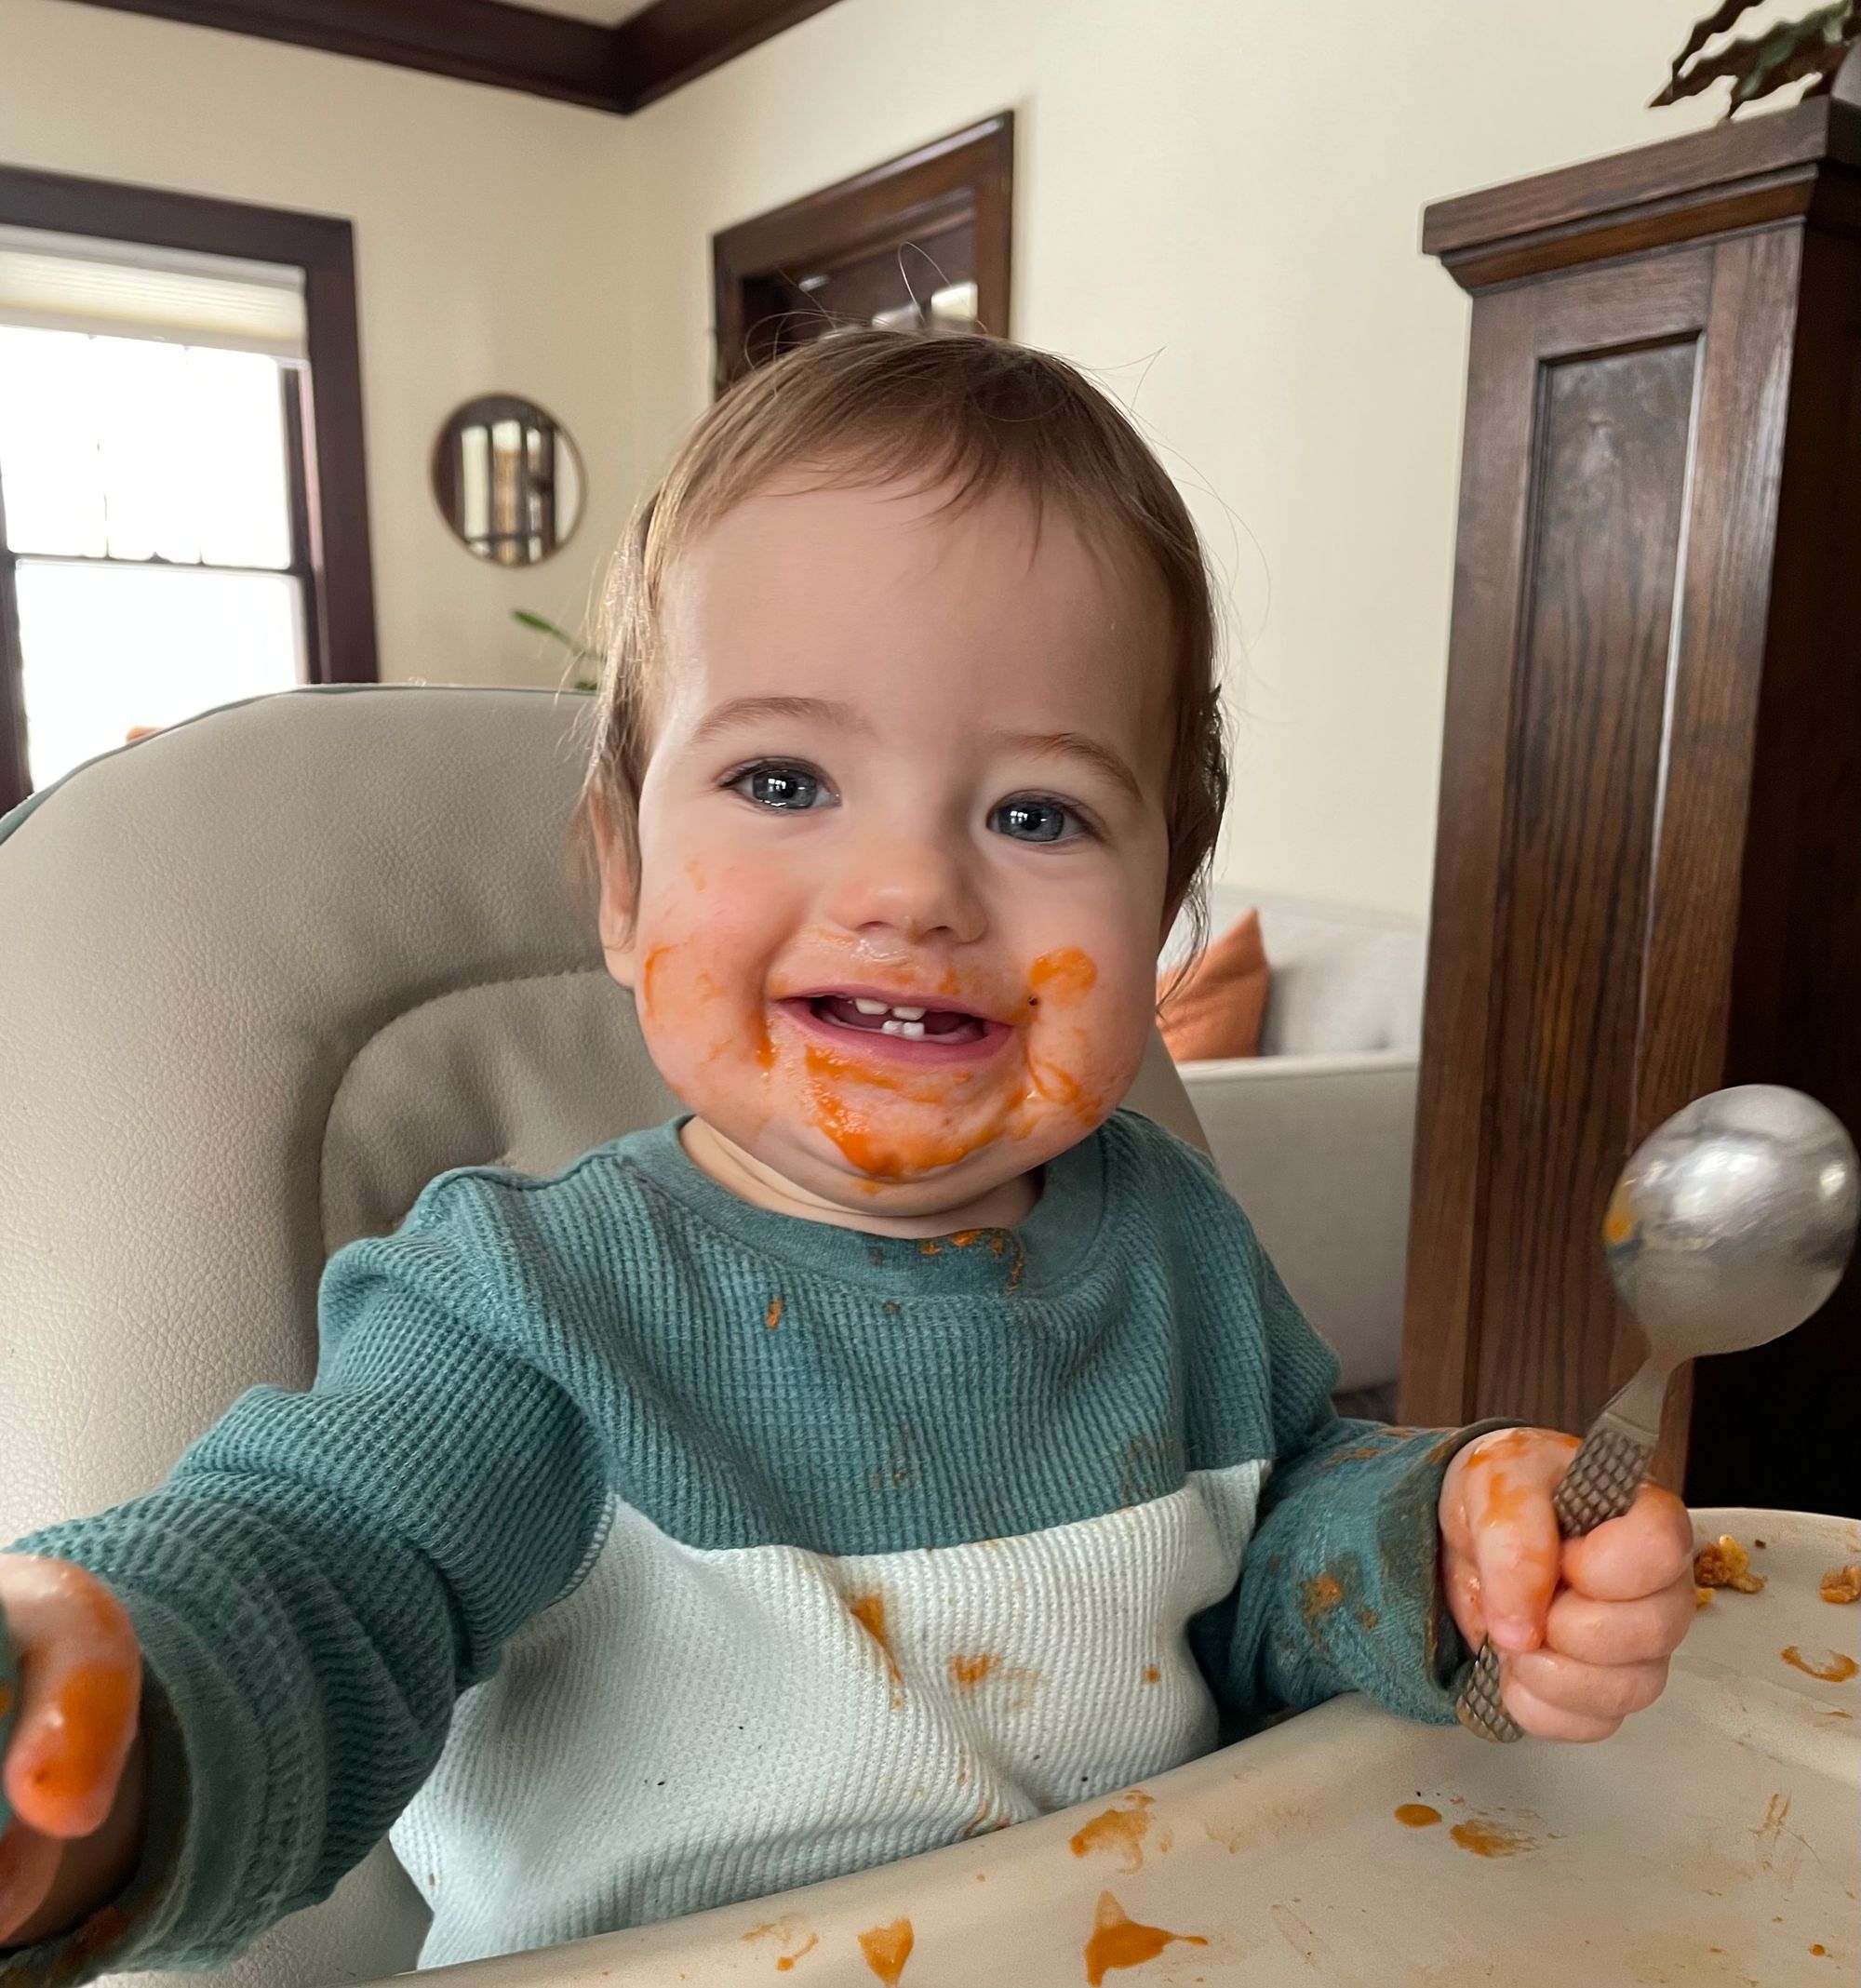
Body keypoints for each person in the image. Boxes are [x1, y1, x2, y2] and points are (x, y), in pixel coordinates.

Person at [0, 331, 1696, 1981]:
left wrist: (1441, 1547)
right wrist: (106, 1745)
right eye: (785, 775)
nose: (912, 890)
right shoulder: (528, 1309)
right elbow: (318, 1590)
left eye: (1037, 813)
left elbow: (1266, 1554)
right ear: (619, 876)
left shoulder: (1174, 1246)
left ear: (1162, 912)